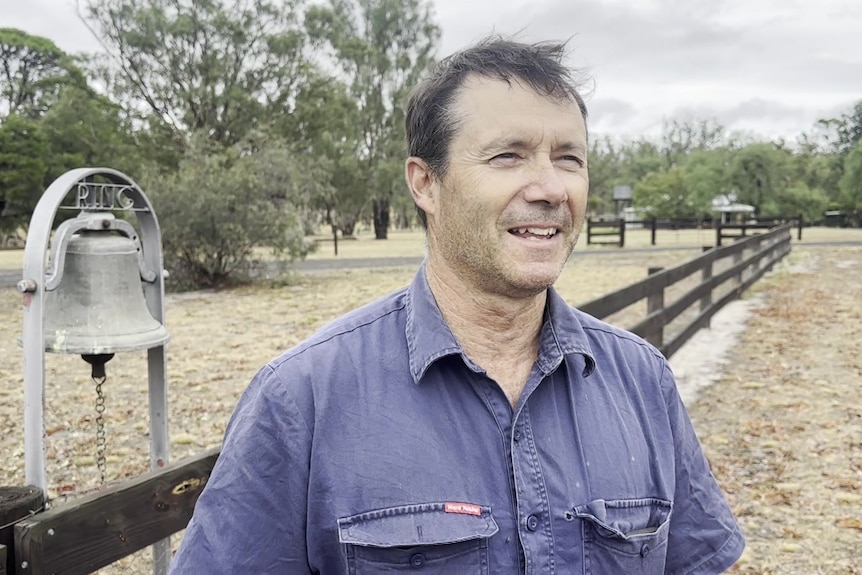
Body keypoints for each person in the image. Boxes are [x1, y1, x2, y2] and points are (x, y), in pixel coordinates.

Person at [169, 37, 745, 574]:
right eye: (508, 157)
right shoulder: (303, 399)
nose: (550, 188)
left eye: (569, 158)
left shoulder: (642, 380)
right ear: (426, 183)